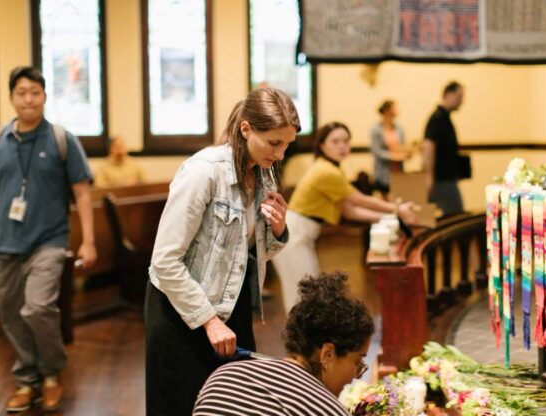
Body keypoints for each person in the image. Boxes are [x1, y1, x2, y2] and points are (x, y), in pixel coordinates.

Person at [145, 88, 300, 415]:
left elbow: (248, 254)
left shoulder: (264, 172)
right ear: (246, 129)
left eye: (287, 144)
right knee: (183, 405)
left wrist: (277, 229)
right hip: (182, 310)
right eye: (275, 143)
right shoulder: (203, 171)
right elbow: (164, 261)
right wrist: (208, 320)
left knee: (232, 405)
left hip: (231, 303)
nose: (281, 154)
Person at [0, 66, 97, 412]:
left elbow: (82, 193)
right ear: (11, 97)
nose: (28, 99)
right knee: (11, 316)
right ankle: (27, 380)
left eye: (35, 92)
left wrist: (89, 241)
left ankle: (52, 374)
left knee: (38, 307)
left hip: (49, 241)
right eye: (21, 92)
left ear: (44, 96)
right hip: (5, 245)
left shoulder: (61, 138)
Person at [272, 122, 417, 312]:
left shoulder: (331, 168)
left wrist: (390, 218)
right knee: (303, 297)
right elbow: (358, 200)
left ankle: (307, 340)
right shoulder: (326, 171)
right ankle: (299, 341)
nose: (342, 146)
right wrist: (397, 209)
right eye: (335, 141)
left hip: (300, 234)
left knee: (307, 295)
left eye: (345, 141)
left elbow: (350, 211)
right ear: (322, 145)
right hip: (293, 236)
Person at [194, 271, 374, 415]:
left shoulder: (224, 376)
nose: (354, 377)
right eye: (357, 362)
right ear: (327, 354)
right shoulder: (325, 409)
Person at [423, 81, 465, 217]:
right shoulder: (438, 118)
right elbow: (428, 145)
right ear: (448, 95)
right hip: (442, 179)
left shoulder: (444, 118)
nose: (461, 101)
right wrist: (429, 176)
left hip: (446, 178)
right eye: (459, 97)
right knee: (455, 216)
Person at [370, 99, 409, 198]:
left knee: (398, 197)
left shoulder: (399, 128)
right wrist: (394, 156)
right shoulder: (376, 129)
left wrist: (407, 153)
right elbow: (377, 151)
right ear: (387, 111)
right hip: (383, 171)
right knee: (385, 198)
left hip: (398, 169)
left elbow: (402, 146)